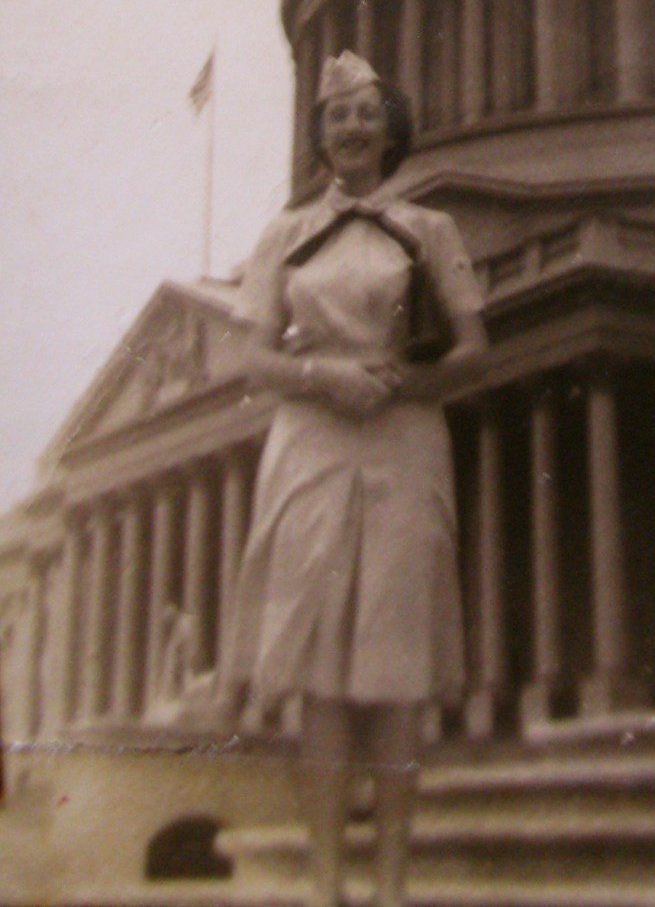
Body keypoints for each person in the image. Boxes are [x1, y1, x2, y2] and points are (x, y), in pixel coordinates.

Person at [218, 49, 488, 907]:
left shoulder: (432, 229)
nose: (354, 128)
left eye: (368, 113)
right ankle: (329, 883)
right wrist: (323, 378)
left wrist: (402, 381)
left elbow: (473, 348)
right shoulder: (285, 235)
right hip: (311, 439)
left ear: (390, 128)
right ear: (320, 135)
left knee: (397, 667)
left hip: (404, 437)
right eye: (338, 116)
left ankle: (393, 884)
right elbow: (254, 354)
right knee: (321, 667)